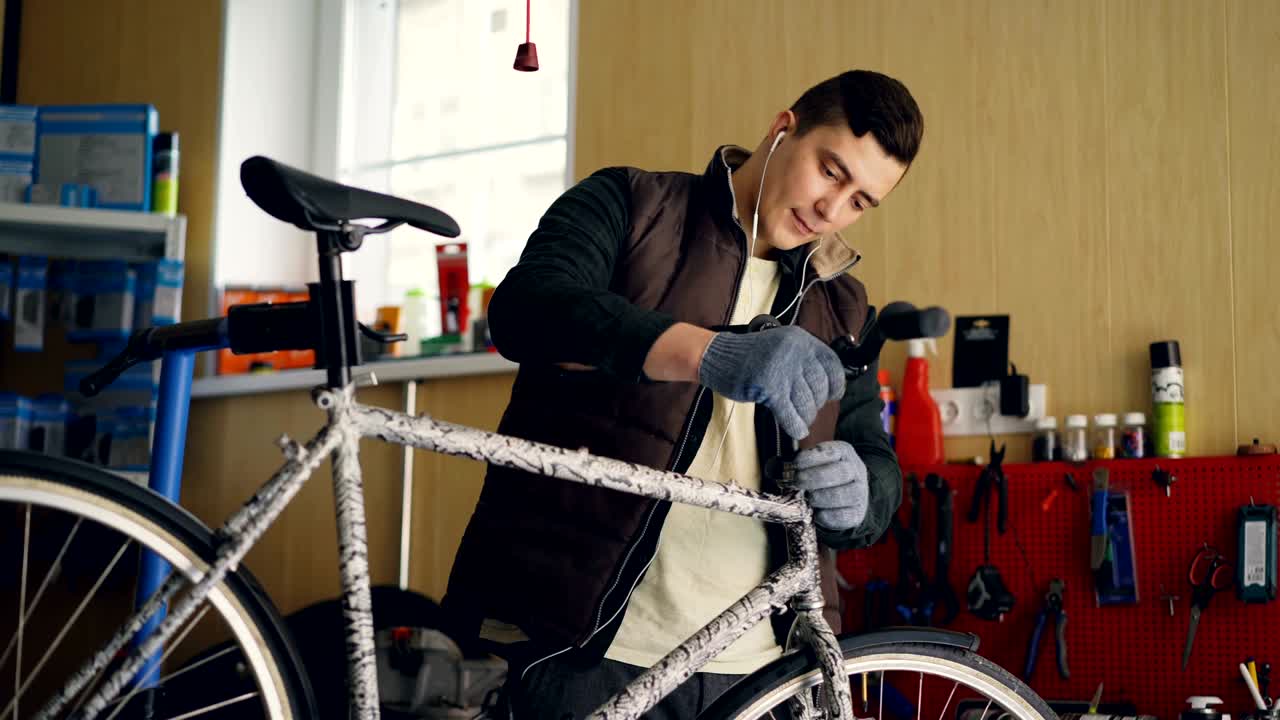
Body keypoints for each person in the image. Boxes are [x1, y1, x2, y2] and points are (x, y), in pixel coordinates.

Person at [442, 69, 925, 718]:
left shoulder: (843, 304)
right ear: (782, 130)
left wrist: (862, 494)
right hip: (579, 646)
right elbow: (527, 311)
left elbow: (874, 458)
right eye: (830, 171)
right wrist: (705, 351)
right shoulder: (632, 205)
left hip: (760, 668)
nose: (831, 211)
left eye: (861, 201)